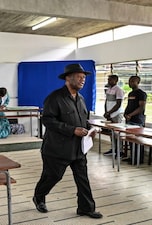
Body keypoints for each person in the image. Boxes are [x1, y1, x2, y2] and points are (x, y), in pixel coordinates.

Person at [33, 63, 103, 219]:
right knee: (52, 177)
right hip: (57, 149)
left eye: (84, 77)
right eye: (79, 77)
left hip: (78, 148)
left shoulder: (81, 99)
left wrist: (89, 130)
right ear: (68, 78)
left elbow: (83, 120)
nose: (82, 80)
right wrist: (72, 130)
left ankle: (86, 208)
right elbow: (48, 120)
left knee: (82, 178)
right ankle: (39, 196)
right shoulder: (55, 98)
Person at [124, 75, 147, 163]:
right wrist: (126, 114)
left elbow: (141, 107)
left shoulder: (141, 93)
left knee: (137, 140)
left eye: (133, 81)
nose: (131, 83)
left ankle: (138, 159)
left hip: (137, 120)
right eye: (130, 81)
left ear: (138, 82)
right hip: (129, 120)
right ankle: (132, 157)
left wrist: (130, 114)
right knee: (130, 140)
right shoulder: (131, 93)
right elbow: (129, 105)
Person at [103, 75, 125, 156]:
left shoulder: (118, 90)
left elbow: (118, 104)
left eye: (110, 80)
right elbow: (106, 102)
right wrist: (106, 112)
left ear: (116, 81)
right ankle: (113, 149)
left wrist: (109, 112)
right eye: (108, 79)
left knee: (117, 133)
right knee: (111, 133)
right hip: (109, 114)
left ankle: (120, 151)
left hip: (116, 114)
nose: (109, 81)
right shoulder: (108, 89)